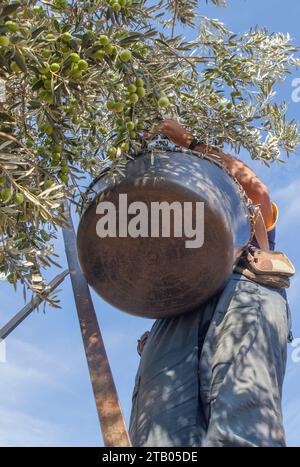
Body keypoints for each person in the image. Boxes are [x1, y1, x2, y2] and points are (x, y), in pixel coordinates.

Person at [129, 119, 292, 447]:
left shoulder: (247, 222)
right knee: (156, 435)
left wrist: (191, 144)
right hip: (177, 313)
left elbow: (254, 188)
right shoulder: (178, 261)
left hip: (244, 289)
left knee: (242, 419)